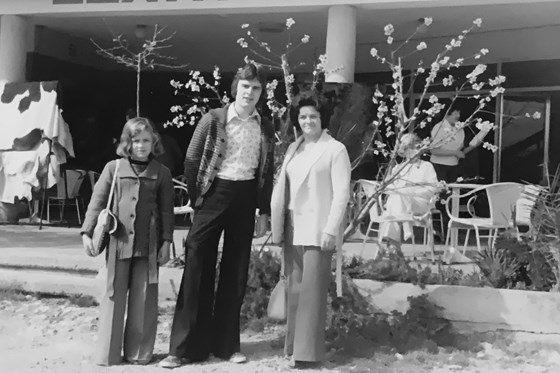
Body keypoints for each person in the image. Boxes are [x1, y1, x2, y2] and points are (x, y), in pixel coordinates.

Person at [159, 63, 275, 368]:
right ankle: (184, 348)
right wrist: (198, 197)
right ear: (235, 87)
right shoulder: (213, 120)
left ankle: (226, 346)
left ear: (261, 93)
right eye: (245, 86)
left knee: (235, 272)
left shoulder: (264, 125)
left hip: (245, 196)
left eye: (256, 88)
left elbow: (267, 169)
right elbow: (192, 158)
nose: (250, 93)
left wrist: (263, 211)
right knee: (197, 265)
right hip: (214, 193)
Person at [80, 117, 174, 366]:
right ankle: (108, 354)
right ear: (127, 143)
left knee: (144, 298)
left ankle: (139, 353)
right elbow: (97, 201)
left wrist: (166, 241)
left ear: (154, 142)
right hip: (118, 242)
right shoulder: (114, 168)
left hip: (148, 244)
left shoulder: (162, 173)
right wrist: (87, 232)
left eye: (146, 140)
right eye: (136, 141)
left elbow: (167, 211)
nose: (141, 146)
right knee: (113, 296)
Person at [270, 96, 351, 369]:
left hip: (318, 228)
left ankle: (307, 354)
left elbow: (342, 194)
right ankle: (292, 347)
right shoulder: (295, 147)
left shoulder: (335, 150)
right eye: (303, 116)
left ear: (322, 118)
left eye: (313, 116)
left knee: (312, 293)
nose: (307, 121)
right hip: (293, 225)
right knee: (295, 288)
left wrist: (331, 229)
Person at [378, 133, 440, 252]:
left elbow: (433, 189)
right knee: (398, 198)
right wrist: (400, 190)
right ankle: (397, 240)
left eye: (412, 149)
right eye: (407, 150)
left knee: (397, 200)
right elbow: (388, 188)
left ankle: (393, 243)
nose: (411, 153)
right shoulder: (398, 168)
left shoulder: (426, 166)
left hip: (420, 203)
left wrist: (410, 192)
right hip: (399, 204)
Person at [430, 107, 465, 183]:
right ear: (447, 113)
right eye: (455, 113)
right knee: (442, 192)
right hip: (439, 166)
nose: (458, 115)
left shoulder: (460, 129)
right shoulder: (439, 127)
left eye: (459, 113)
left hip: (454, 166)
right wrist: (454, 153)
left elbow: (461, 147)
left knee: (454, 192)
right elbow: (434, 150)